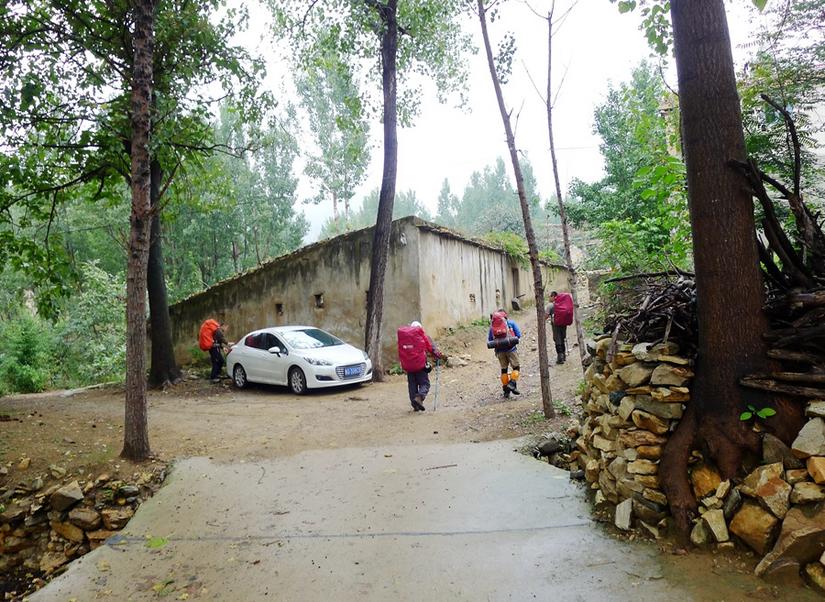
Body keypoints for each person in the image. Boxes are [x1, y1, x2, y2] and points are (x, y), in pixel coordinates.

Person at [397, 320, 444, 412]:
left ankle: (415, 404)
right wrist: (437, 355)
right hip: (420, 365)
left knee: (412, 384)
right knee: (425, 383)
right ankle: (419, 398)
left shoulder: (405, 338)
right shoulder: (422, 336)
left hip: (409, 366)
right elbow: (431, 347)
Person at [487, 310, 522, 398]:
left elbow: (490, 339)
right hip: (511, 349)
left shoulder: (492, 327)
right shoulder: (511, 323)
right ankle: (512, 383)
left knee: (504, 370)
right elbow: (518, 335)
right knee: (516, 367)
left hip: (499, 351)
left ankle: (506, 391)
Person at [546, 291, 574, 364]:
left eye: (549, 296)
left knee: (557, 339)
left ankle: (560, 357)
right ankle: (564, 355)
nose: (549, 298)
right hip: (563, 323)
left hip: (555, 325)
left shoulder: (550, 305)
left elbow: (545, 316)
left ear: (553, 296)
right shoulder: (563, 304)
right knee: (562, 338)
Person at [199, 319, 231, 383]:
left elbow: (218, 341)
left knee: (221, 361)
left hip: (215, 348)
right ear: (223, 326)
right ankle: (213, 377)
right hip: (214, 349)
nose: (227, 329)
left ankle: (217, 375)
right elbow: (220, 338)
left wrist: (223, 347)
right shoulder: (218, 330)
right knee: (216, 362)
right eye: (227, 327)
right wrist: (227, 343)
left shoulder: (215, 330)